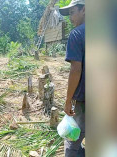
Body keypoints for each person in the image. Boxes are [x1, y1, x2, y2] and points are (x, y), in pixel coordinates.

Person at [59, 0, 85, 156]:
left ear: (84, 10)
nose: (70, 18)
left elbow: (76, 69)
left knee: (72, 140)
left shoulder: (77, 34)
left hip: (85, 100)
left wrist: (68, 100)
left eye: (72, 12)